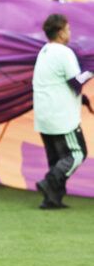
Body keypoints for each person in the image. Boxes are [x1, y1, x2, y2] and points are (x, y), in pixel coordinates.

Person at [33, 14, 92, 209]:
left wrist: (82, 99)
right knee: (78, 153)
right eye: (68, 29)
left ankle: (51, 200)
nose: (70, 32)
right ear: (60, 32)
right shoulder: (63, 52)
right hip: (61, 117)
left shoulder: (44, 52)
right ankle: (49, 182)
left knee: (57, 159)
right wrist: (91, 70)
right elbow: (75, 81)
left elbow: (56, 82)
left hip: (44, 116)